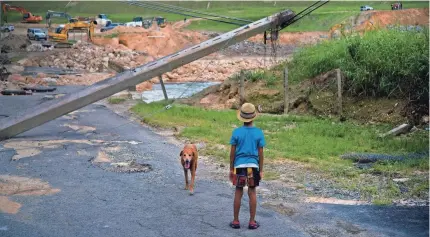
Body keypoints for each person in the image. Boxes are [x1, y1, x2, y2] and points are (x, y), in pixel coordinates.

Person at [229, 103, 265, 230]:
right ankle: (252, 222)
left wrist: (231, 168)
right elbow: (260, 153)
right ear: (253, 117)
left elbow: (232, 153)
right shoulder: (258, 133)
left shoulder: (236, 132)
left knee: (238, 191)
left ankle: (236, 221)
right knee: (252, 191)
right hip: (253, 166)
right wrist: (260, 170)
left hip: (239, 166)